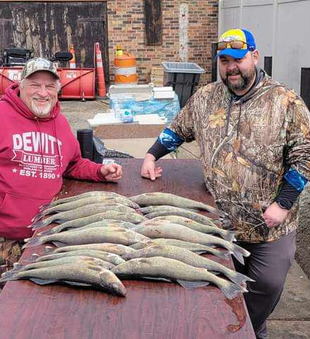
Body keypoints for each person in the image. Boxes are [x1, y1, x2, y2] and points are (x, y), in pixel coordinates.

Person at [141, 28, 310, 338]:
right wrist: (152, 155)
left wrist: (283, 203)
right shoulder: (206, 97)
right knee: (212, 285)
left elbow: (305, 155)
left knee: (268, 285)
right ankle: (225, 327)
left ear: (255, 57)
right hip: (216, 223)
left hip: (268, 225)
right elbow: (178, 129)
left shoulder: (285, 101)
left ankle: (251, 327)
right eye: (224, 60)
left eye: (239, 59)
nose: (231, 67)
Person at [0, 57, 122, 277]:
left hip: (51, 235)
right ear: (20, 85)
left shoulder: (60, 122)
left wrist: (98, 171)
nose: (43, 92)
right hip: (6, 239)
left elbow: (73, 163)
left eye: (49, 86)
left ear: (58, 89)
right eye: (35, 85)